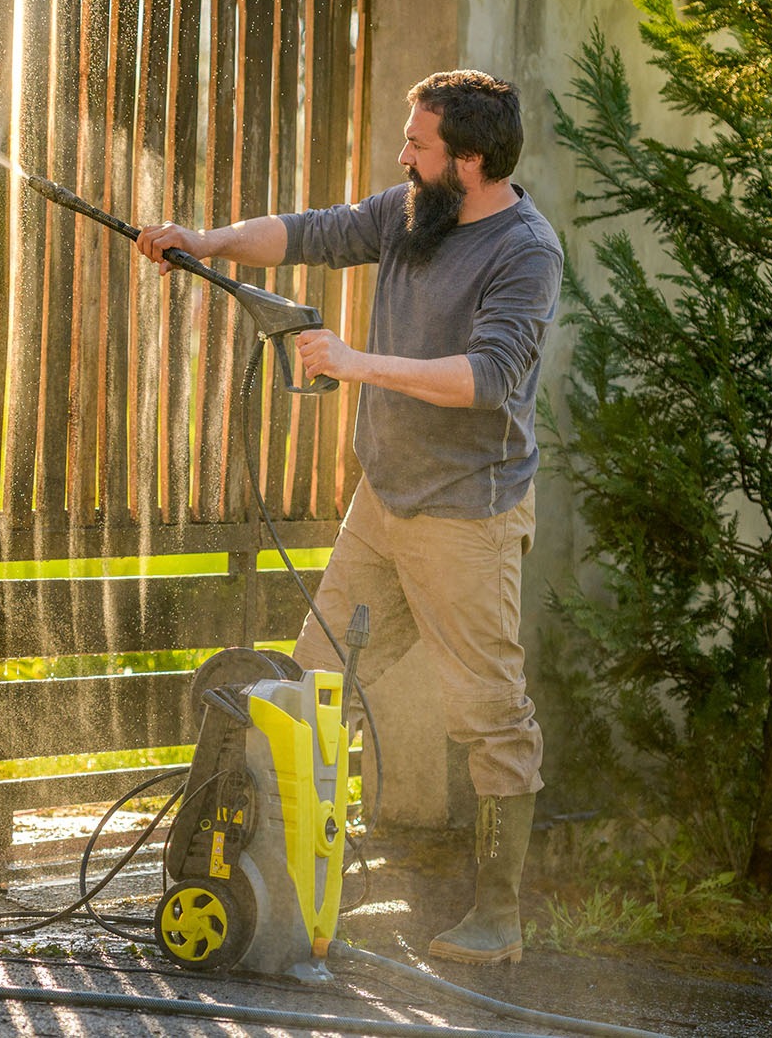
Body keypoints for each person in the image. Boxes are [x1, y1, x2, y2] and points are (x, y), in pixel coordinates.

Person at [133, 69, 562, 965]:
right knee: (311, 685)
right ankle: (287, 886)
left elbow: (490, 378)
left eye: (419, 143)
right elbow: (307, 233)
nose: (402, 156)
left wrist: (358, 362)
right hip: (385, 501)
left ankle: (498, 917)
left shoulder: (525, 251)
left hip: (466, 516)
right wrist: (200, 240)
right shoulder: (415, 208)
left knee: (490, 713)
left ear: (470, 160)